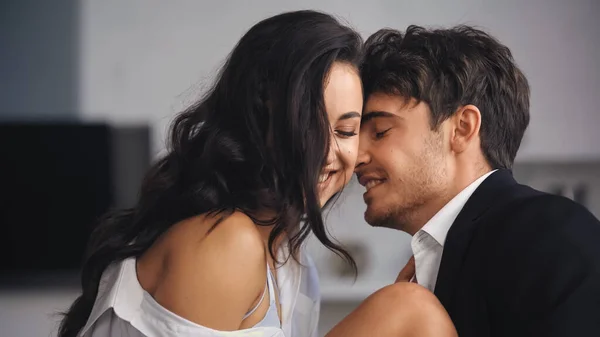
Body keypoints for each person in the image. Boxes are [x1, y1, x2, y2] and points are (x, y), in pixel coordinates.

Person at [57, 10, 456, 337]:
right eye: (308, 125)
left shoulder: (289, 257)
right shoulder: (226, 242)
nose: (328, 152)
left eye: (345, 131)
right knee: (408, 309)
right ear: (255, 119)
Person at [356, 24, 600, 337]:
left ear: (462, 128)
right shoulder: (449, 256)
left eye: (380, 132)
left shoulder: (550, 234)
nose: (356, 156)